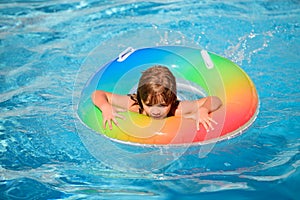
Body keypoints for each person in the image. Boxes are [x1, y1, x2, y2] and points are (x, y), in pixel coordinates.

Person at [92, 65, 222, 132]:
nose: (155, 111)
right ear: (141, 100)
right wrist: (105, 107)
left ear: (171, 101)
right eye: (149, 105)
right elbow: (97, 94)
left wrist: (204, 109)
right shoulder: (134, 105)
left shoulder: (177, 109)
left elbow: (215, 100)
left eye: (162, 105)